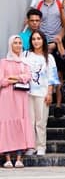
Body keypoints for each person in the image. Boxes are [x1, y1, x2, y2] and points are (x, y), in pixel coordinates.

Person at [22, 30, 58, 157]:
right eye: (34, 39)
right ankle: (30, 146)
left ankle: (41, 146)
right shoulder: (25, 55)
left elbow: (52, 77)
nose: (36, 41)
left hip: (42, 93)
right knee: (29, 121)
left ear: (43, 41)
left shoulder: (49, 57)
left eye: (39, 39)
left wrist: (50, 93)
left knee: (41, 121)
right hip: (27, 93)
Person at [0, 36, 34, 168]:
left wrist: (12, 78)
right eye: (15, 43)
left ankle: (19, 157)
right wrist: (17, 78)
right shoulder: (4, 62)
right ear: (10, 45)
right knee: (7, 124)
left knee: (20, 123)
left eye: (20, 43)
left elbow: (27, 77)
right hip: (7, 97)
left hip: (21, 96)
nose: (18, 45)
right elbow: (2, 80)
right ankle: (7, 157)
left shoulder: (24, 62)